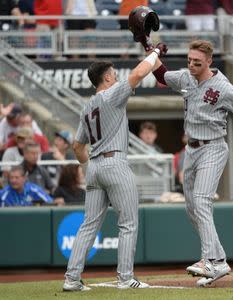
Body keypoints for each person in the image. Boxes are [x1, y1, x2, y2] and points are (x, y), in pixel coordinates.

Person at [151, 39, 233, 286]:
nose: (191, 65)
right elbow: (162, 74)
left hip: (213, 147)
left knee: (201, 201)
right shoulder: (187, 77)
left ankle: (213, 260)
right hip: (191, 150)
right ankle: (218, 260)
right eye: (189, 60)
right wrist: (150, 48)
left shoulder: (222, 86)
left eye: (197, 62)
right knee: (192, 209)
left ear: (209, 61)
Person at [63, 42, 168, 291]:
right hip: (115, 162)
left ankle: (71, 279)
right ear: (107, 76)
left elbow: (77, 147)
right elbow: (138, 74)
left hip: (95, 167)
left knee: (88, 225)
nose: (117, 76)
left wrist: (91, 168)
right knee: (128, 223)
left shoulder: (87, 106)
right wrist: (154, 54)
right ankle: (125, 278)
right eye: (114, 74)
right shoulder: (111, 95)